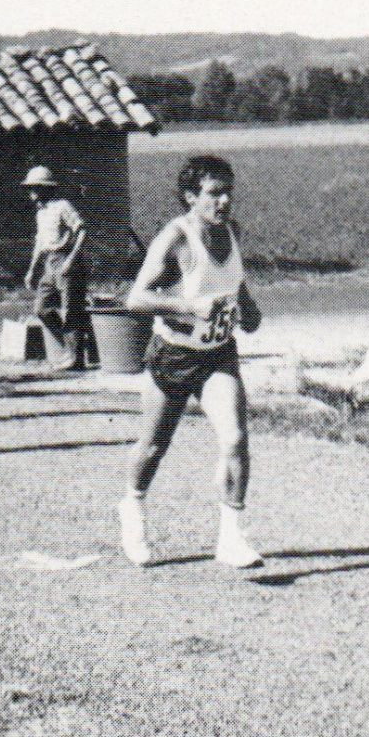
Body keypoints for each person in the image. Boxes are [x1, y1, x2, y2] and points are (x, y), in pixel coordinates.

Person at [118, 155, 264, 569]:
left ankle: (231, 539)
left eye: (228, 192)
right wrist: (187, 307)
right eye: (214, 193)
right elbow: (136, 299)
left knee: (235, 438)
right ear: (189, 197)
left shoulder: (232, 232)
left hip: (217, 353)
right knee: (153, 448)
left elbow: (236, 284)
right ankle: (132, 508)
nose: (224, 202)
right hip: (175, 355)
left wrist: (248, 310)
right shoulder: (176, 238)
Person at [21, 166, 92, 370]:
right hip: (49, 264)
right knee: (42, 309)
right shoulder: (41, 213)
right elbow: (40, 243)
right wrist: (32, 270)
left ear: (45, 188)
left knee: (71, 310)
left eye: (34, 188)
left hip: (67, 261)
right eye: (30, 188)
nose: (31, 192)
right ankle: (69, 349)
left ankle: (76, 358)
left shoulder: (62, 206)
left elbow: (82, 230)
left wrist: (71, 258)